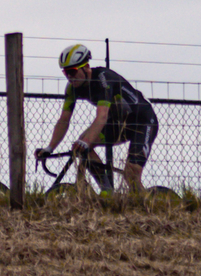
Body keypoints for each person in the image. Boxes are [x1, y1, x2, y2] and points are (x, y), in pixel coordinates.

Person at [42, 41, 156, 196]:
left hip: (143, 122)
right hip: (118, 123)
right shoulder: (72, 89)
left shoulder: (103, 79)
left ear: (86, 67)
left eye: (73, 71)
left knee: (131, 174)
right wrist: (49, 148)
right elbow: (64, 120)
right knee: (81, 148)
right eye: (65, 73)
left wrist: (87, 141)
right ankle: (107, 191)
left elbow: (102, 116)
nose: (69, 77)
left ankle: (147, 206)